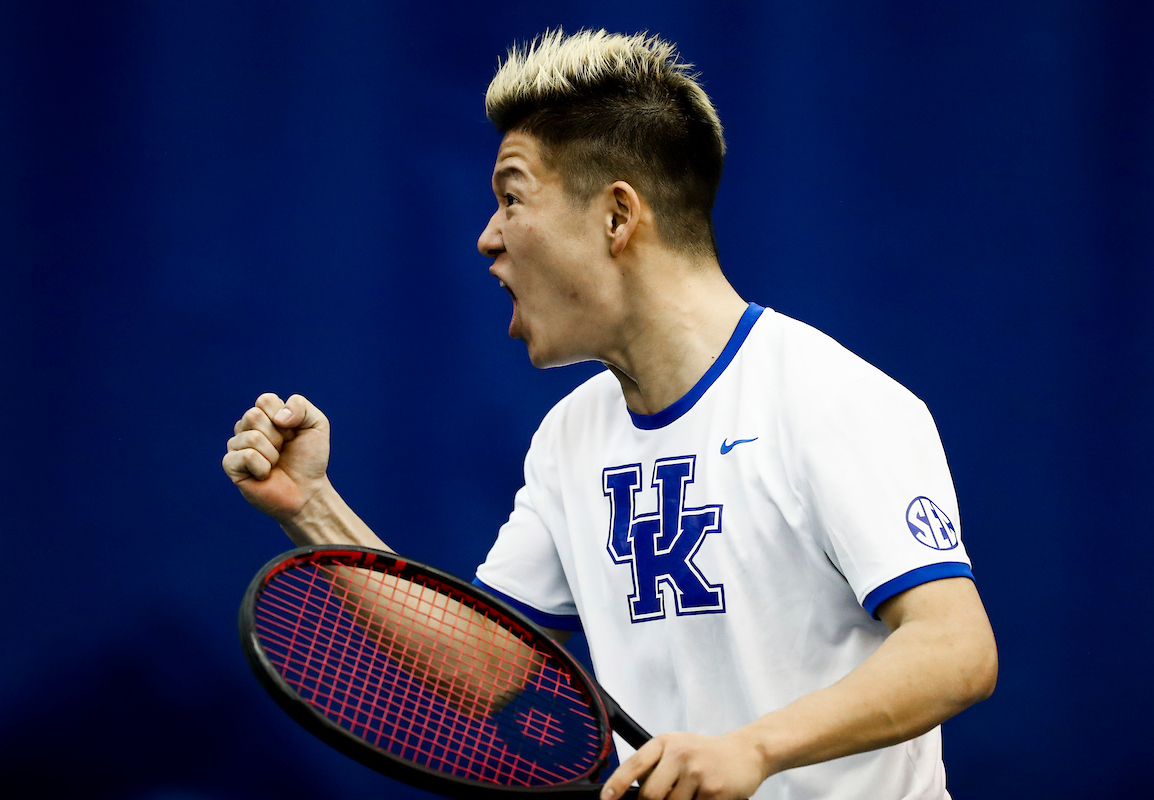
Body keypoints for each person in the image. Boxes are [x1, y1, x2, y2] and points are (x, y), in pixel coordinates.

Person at [223, 28, 997, 800]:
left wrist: (753, 750)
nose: (487, 237)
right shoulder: (571, 434)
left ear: (617, 218)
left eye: (512, 196)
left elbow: (955, 647)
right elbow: (492, 662)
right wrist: (312, 507)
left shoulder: (829, 398)